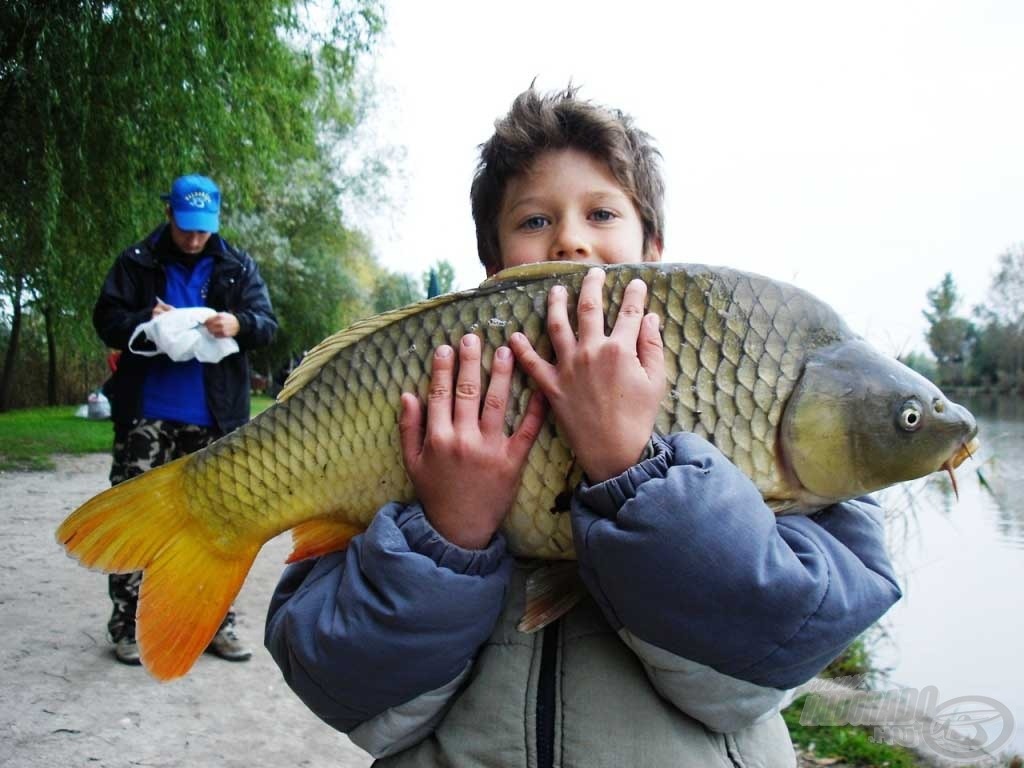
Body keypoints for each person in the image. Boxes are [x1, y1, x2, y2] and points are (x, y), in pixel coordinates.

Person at [265, 87, 901, 766]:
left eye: (601, 212)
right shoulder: (436, 379)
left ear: (654, 251)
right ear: (494, 265)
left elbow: (759, 663)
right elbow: (346, 690)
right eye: (535, 220)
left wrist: (631, 467)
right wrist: (447, 533)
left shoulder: (768, 385)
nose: (570, 237)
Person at [94, 174, 278, 666]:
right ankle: (128, 626)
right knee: (135, 520)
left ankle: (217, 625)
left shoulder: (237, 265)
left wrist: (237, 322)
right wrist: (146, 322)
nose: (194, 238)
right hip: (146, 417)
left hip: (215, 420)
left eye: (203, 229)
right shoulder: (136, 262)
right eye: (186, 227)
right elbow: (105, 319)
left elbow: (266, 324)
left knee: (219, 524)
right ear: (169, 214)